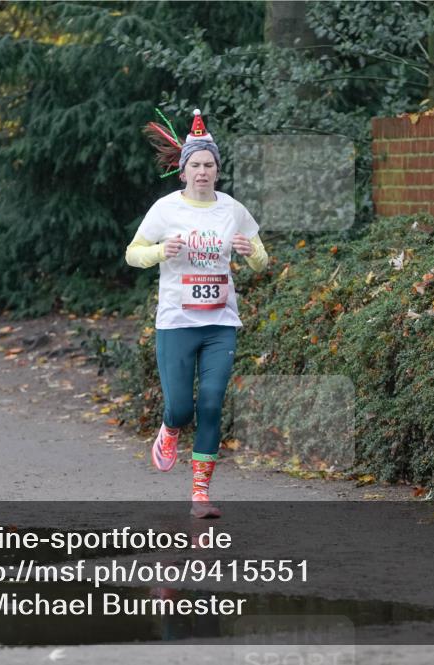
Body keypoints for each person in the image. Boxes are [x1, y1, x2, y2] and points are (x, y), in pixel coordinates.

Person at [126, 109, 269, 518]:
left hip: (221, 322)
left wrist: (251, 253)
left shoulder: (233, 210)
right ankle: (169, 429)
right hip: (176, 323)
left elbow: (261, 260)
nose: (202, 171)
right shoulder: (165, 210)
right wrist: (158, 252)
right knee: (181, 409)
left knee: (210, 403)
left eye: (209, 165)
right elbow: (132, 253)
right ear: (183, 171)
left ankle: (200, 493)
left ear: (217, 170)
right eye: (195, 165)